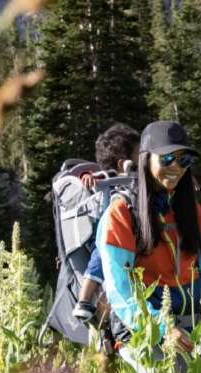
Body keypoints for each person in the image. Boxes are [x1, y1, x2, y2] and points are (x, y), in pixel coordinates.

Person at [98, 120, 201, 359]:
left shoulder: (189, 209)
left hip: (191, 328)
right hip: (142, 334)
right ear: (146, 159)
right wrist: (163, 328)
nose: (176, 167)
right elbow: (121, 290)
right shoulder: (121, 213)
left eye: (184, 160)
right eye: (167, 159)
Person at [71, 123, 140, 325]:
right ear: (122, 163)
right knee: (100, 258)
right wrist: (88, 178)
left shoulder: (139, 179)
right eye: (138, 154)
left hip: (131, 233)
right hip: (107, 236)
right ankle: (84, 300)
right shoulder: (109, 177)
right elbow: (96, 177)